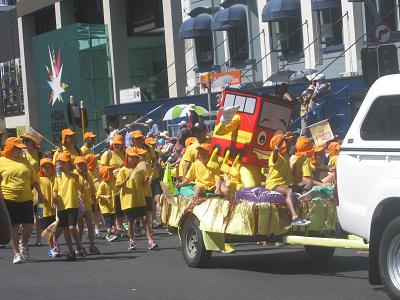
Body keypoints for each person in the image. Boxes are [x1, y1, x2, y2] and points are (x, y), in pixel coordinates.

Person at [0, 137, 47, 263]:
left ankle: (23, 245)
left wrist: (41, 195)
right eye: (17, 148)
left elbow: (34, 180)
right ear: (10, 148)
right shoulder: (2, 161)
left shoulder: (25, 161)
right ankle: (16, 253)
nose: (20, 150)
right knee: (14, 227)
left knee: (29, 226)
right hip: (8, 198)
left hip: (27, 198)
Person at [116, 147, 158, 250]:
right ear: (127, 157)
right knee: (130, 221)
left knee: (144, 220)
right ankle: (131, 240)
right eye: (131, 157)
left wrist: (146, 180)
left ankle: (150, 240)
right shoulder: (123, 170)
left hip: (140, 198)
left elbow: (142, 185)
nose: (134, 159)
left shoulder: (139, 169)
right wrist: (126, 178)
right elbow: (119, 186)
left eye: (135, 157)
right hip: (129, 200)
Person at [265, 133, 311, 226]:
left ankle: (302, 206)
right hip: (274, 185)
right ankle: (295, 217)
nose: (290, 144)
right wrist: (280, 140)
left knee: (306, 182)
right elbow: (275, 152)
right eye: (287, 142)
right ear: (282, 144)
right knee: (289, 191)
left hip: (285, 185)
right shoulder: (275, 156)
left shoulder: (286, 156)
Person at [53, 152, 85, 261]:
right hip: (62, 206)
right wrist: (55, 197)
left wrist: (65, 170)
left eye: (63, 162)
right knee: (65, 228)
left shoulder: (74, 172)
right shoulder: (58, 175)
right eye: (60, 162)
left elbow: (76, 178)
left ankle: (79, 246)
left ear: (68, 163)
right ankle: (71, 251)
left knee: (72, 227)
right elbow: (55, 190)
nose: (61, 164)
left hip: (72, 203)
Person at [99, 134, 126, 236]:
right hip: (110, 184)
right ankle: (114, 227)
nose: (117, 146)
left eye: (119, 144)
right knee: (112, 206)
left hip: (121, 184)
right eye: (115, 144)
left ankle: (119, 225)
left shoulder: (124, 154)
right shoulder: (108, 154)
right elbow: (101, 170)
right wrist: (112, 170)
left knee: (120, 206)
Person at [74, 156, 100, 255]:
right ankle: (78, 246)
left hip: (88, 204)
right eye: (79, 164)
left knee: (90, 225)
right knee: (79, 227)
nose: (81, 166)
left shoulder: (88, 175)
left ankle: (92, 245)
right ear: (75, 165)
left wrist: (96, 204)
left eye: (83, 164)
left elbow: (93, 191)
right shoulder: (74, 175)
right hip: (78, 205)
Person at [21, 131, 42, 246]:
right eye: (23, 140)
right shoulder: (21, 154)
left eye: (26, 140)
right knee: (25, 216)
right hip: (26, 188)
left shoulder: (40, 154)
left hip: (38, 189)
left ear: (33, 142)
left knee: (39, 214)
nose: (24, 142)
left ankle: (39, 238)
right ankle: (22, 237)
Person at [38, 158, 60, 257]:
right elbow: (37, 196)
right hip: (42, 208)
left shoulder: (56, 178)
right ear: (41, 168)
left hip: (55, 209)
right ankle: (51, 248)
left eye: (50, 167)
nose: (47, 169)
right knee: (47, 229)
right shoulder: (38, 179)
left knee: (56, 229)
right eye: (45, 167)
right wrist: (38, 213)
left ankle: (53, 246)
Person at [97, 166, 118, 242]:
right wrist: (105, 196)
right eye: (110, 171)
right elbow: (98, 195)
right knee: (108, 222)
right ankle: (108, 235)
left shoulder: (112, 180)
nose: (112, 172)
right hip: (105, 207)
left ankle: (111, 234)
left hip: (112, 206)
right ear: (106, 174)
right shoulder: (102, 184)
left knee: (112, 222)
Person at [85, 153, 102, 238]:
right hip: (88, 197)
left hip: (96, 196)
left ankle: (97, 229)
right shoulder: (86, 172)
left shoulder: (96, 170)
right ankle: (88, 229)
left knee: (96, 213)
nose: (96, 161)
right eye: (94, 159)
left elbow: (100, 178)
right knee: (89, 214)